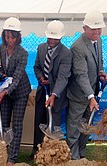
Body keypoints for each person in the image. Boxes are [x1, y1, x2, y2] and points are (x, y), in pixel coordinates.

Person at [66, 10, 107, 160]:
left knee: (86, 126)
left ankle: (82, 155)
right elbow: (80, 74)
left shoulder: (98, 40)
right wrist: (91, 96)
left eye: (99, 29)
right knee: (74, 128)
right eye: (93, 29)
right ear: (84, 28)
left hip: (92, 92)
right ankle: (73, 159)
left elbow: (99, 60)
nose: (97, 32)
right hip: (79, 95)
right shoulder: (78, 47)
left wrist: (101, 71)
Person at [31, 20, 72, 157]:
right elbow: (36, 67)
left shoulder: (66, 53)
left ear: (60, 37)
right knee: (39, 121)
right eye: (49, 37)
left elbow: (63, 77)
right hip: (43, 90)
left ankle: (50, 154)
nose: (52, 40)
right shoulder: (41, 48)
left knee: (53, 123)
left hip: (57, 94)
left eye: (55, 38)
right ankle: (37, 151)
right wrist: (41, 78)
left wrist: (54, 94)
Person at [0, 17, 31, 166]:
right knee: (3, 123)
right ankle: (3, 153)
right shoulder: (1, 48)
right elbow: (3, 69)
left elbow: (16, 78)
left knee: (16, 124)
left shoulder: (23, 53)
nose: (9, 39)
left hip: (20, 92)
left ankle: (12, 158)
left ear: (18, 37)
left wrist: (5, 91)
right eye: (7, 36)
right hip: (6, 90)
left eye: (13, 36)